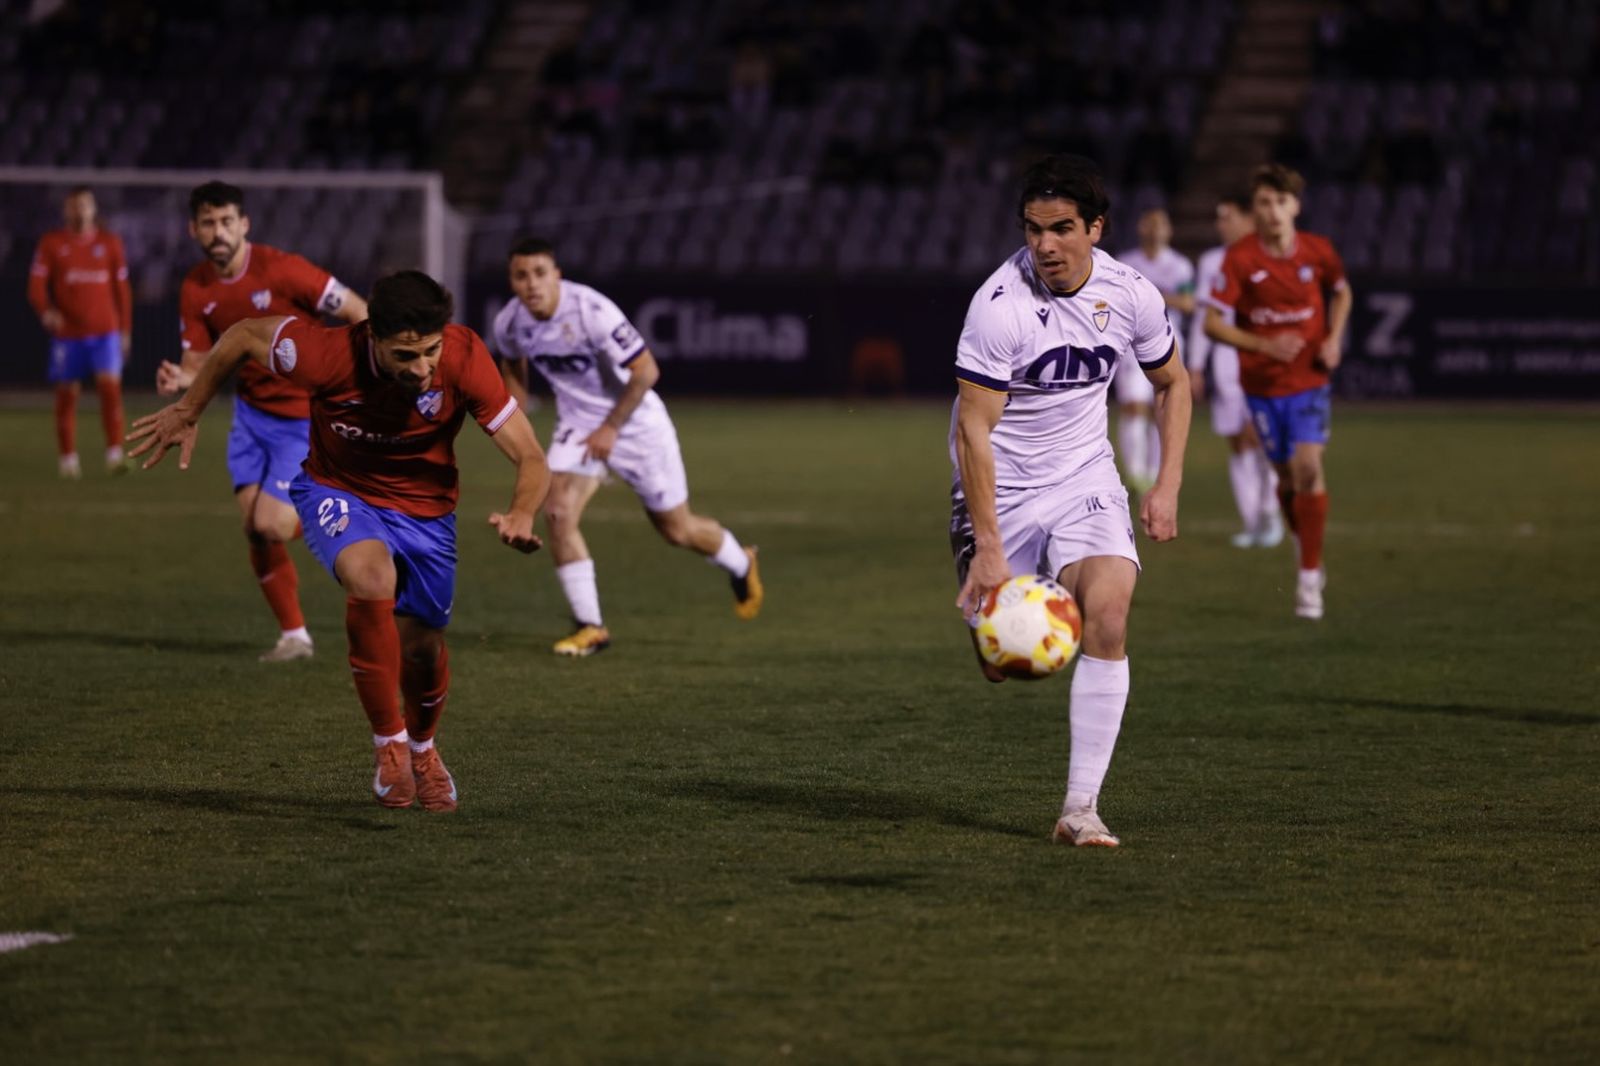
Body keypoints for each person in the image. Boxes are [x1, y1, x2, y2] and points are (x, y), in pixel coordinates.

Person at [128, 271, 551, 812]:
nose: (421, 368)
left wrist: (521, 510)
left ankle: (423, 748)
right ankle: (391, 746)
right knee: (373, 578)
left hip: (427, 514)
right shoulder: (324, 353)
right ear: (373, 336)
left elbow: (531, 456)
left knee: (422, 649)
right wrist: (189, 408)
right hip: (338, 488)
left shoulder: (465, 358)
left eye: (430, 351)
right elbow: (240, 336)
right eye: (405, 355)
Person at [951, 155, 1191, 848]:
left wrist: (1168, 484)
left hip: (1085, 479)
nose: (1045, 245)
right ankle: (996, 596)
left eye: (1061, 229)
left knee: (1108, 616)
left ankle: (1080, 809)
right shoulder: (998, 309)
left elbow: (1175, 383)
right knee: (1001, 662)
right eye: (1033, 230)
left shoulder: (1132, 294)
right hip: (1003, 488)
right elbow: (973, 429)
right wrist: (990, 549)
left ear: (1095, 228)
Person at [490, 237, 763, 657]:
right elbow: (512, 368)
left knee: (677, 530)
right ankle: (591, 626)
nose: (531, 284)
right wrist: (516, 426)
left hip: (635, 425)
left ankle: (741, 562)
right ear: (511, 280)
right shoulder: (509, 323)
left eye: (540, 273)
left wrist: (612, 427)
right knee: (557, 511)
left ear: (556, 275)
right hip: (579, 426)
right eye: (521, 275)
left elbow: (647, 370)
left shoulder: (590, 311)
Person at [157, 181, 369, 662]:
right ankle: (295, 636)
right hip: (250, 419)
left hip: (303, 418)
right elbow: (198, 363)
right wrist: (180, 378)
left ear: (244, 224)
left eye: (227, 220)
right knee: (254, 529)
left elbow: (359, 312)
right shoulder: (196, 287)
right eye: (208, 223)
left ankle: (341, 510)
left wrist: (356, 378)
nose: (219, 231)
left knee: (271, 524)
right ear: (194, 229)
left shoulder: (284, 270)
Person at [1203, 163, 1352, 620]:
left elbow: (1342, 292)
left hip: (1309, 380)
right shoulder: (1241, 259)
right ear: (1257, 210)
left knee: (1308, 468)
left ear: (1295, 206)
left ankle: (1309, 579)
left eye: (1281, 202)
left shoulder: (1317, 251)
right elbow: (1212, 323)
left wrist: (1333, 338)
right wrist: (1264, 344)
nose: (1273, 211)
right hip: (1263, 387)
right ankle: (1303, 542)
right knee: (1286, 480)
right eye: (1264, 203)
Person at [1186, 192, 1283, 549]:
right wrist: (1195, 365)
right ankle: (1252, 521)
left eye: (1226, 217)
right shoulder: (1212, 261)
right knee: (1238, 443)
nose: (1220, 224)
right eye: (1218, 218)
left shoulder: (1267, 254)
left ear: (1247, 219)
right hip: (1225, 363)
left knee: (1261, 437)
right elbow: (1202, 316)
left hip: (1259, 359)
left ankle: (1270, 512)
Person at [27, 186, 133, 478]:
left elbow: (121, 290)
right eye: (74, 206)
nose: (80, 211)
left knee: (110, 392)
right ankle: (68, 460)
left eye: (85, 205)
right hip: (69, 336)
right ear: (66, 211)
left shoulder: (110, 243)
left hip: (106, 333)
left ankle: (114, 455)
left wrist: (125, 329)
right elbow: (36, 285)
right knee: (66, 397)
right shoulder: (52, 243)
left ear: (94, 209)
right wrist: (46, 311)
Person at [1113, 207, 1193, 495]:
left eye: (1161, 223)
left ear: (1169, 230)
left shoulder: (1180, 265)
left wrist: (1148, 297)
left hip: (1169, 340)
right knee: (1133, 406)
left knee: (1163, 408)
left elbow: (1187, 303)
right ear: (1140, 227)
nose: (1155, 228)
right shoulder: (1125, 263)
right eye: (1150, 222)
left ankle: (1154, 472)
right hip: (1132, 344)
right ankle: (1135, 475)